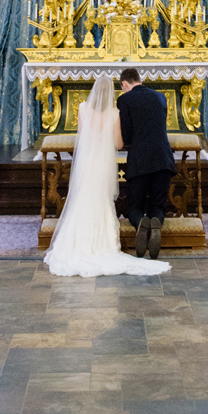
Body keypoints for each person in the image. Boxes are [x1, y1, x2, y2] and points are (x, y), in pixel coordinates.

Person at [42, 74, 169, 278]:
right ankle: (149, 224)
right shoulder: (116, 112)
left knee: (84, 199)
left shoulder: (83, 108)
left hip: (87, 163)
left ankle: (83, 241)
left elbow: (83, 136)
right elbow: (119, 144)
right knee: (107, 200)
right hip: (117, 162)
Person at [116, 67, 176, 260]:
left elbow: (126, 135)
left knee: (134, 207)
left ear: (124, 84)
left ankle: (140, 222)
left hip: (139, 160)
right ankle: (156, 221)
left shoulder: (124, 99)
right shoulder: (160, 97)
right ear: (139, 80)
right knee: (158, 205)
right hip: (163, 158)